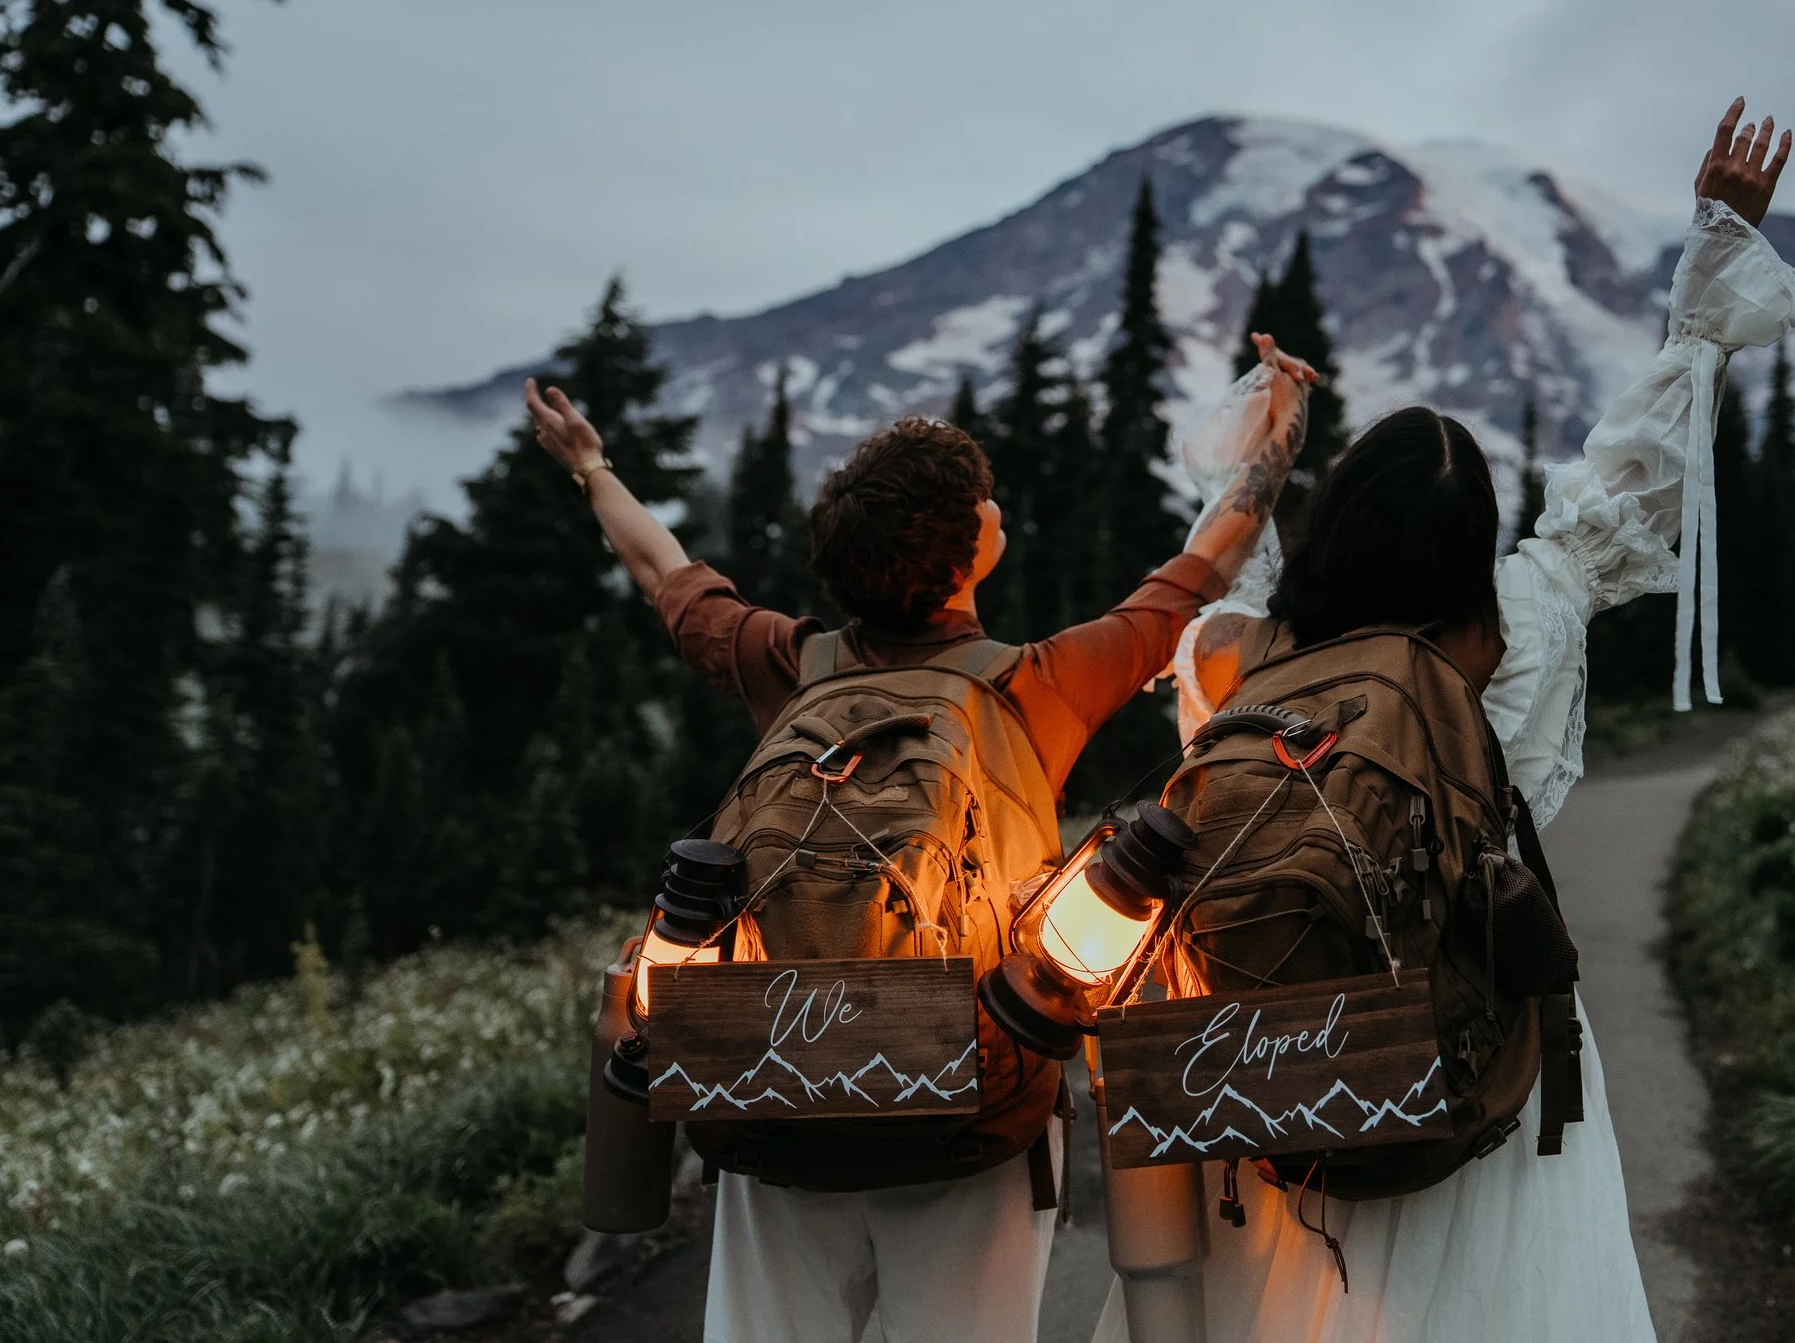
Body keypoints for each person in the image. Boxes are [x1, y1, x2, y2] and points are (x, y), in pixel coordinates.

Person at [1110, 100, 1795, 1343]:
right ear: (1470, 546)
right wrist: (1714, 248)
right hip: (1470, 1062)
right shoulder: (1526, 610)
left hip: (1275, 1078)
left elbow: (1221, 563)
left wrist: (1264, 448)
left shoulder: (1245, 657)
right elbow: (1636, 473)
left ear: (1335, 525)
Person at [525, 334, 1319, 1343]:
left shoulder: (790, 665)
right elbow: (1202, 568)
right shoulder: (1039, 683)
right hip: (972, 1114)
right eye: (984, 504)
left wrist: (592, 466)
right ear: (967, 551)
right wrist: (1277, 436)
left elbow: (662, 569)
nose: (996, 512)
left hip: (775, 1092)